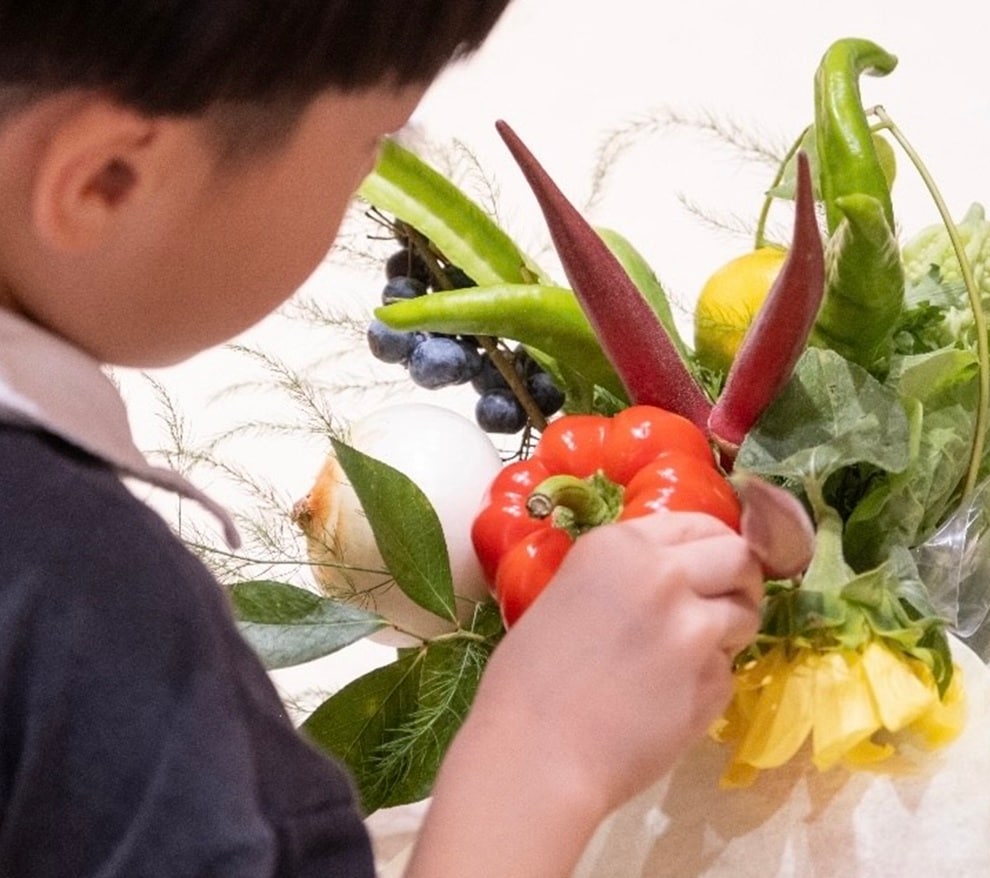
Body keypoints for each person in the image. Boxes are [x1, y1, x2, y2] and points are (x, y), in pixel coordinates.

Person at [0, 2, 786, 875]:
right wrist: (542, 752)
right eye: (374, 141)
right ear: (107, 178)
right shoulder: (87, 607)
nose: (381, 170)